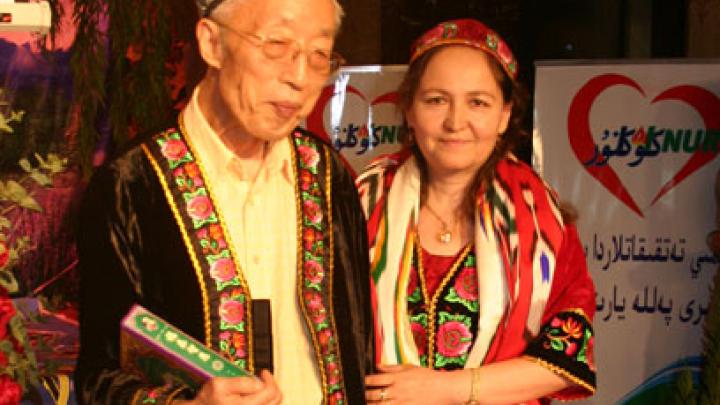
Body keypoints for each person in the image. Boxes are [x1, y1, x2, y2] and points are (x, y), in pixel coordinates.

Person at [74, 0, 372, 403]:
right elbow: (100, 376)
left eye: (319, 55)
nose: (300, 77)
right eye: (277, 45)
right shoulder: (132, 185)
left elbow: (357, 345)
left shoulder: (329, 175)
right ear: (212, 43)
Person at [356, 19, 596, 405]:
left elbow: (565, 357)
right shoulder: (355, 209)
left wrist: (445, 390)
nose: (455, 122)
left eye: (478, 103)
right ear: (409, 110)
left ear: (504, 115)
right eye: (436, 100)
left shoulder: (543, 226)